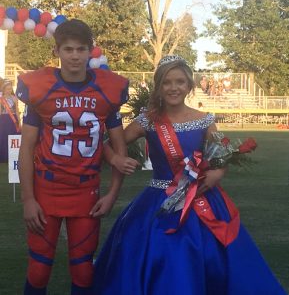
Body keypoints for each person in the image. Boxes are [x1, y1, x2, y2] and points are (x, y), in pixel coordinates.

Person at [92, 55, 286, 295]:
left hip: (202, 195)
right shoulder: (147, 121)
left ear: (189, 86)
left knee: (215, 254)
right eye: (167, 82)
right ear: (158, 86)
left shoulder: (204, 120)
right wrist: (115, 159)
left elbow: (221, 154)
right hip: (158, 198)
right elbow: (106, 141)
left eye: (180, 82)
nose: (174, 88)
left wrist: (218, 174)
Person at [16, 19, 128, 295]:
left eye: (81, 49)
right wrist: (28, 199)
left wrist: (113, 193)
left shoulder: (108, 89)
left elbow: (119, 146)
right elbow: (27, 147)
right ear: (57, 51)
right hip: (46, 188)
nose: (75, 55)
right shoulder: (40, 87)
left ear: (91, 51)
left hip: (86, 191)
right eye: (68, 49)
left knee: (83, 270)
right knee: (39, 269)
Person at [0, 79, 21, 163]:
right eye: (7, 89)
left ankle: (14, 156)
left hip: (13, 120)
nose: (9, 90)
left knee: (13, 136)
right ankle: (4, 156)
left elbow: (17, 110)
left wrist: (19, 122)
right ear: (4, 89)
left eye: (10, 88)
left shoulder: (15, 98)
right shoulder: (1, 99)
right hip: (3, 120)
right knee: (3, 136)